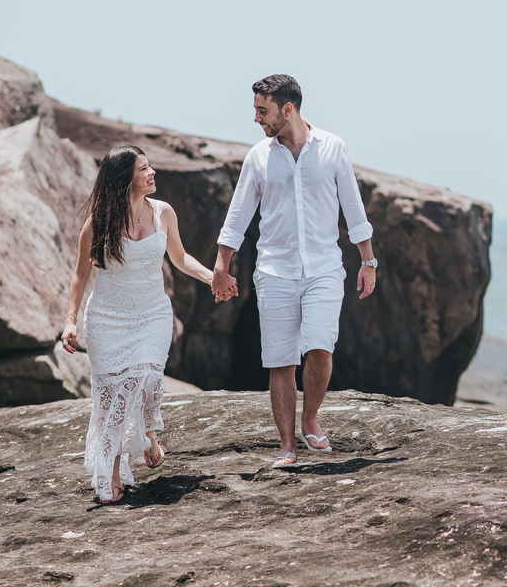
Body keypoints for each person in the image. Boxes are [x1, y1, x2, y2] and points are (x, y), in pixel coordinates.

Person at [212, 74, 377, 469]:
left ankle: (310, 418)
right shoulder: (258, 156)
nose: (256, 118)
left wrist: (368, 262)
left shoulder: (333, 147)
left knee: (320, 347)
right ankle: (287, 444)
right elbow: (238, 216)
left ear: (288, 109)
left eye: (262, 110)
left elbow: (354, 210)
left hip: (324, 268)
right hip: (274, 270)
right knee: (281, 359)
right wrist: (221, 265)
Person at [61, 145, 236, 503]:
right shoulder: (98, 223)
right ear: (124, 178)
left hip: (153, 314)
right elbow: (80, 275)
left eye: (150, 166)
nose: (152, 172)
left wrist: (214, 278)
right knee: (111, 396)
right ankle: (111, 472)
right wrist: (70, 322)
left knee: (146, 377)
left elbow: (180, 258)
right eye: (143, 168)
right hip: (107, 318)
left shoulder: (163, 212)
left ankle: (146, 433)